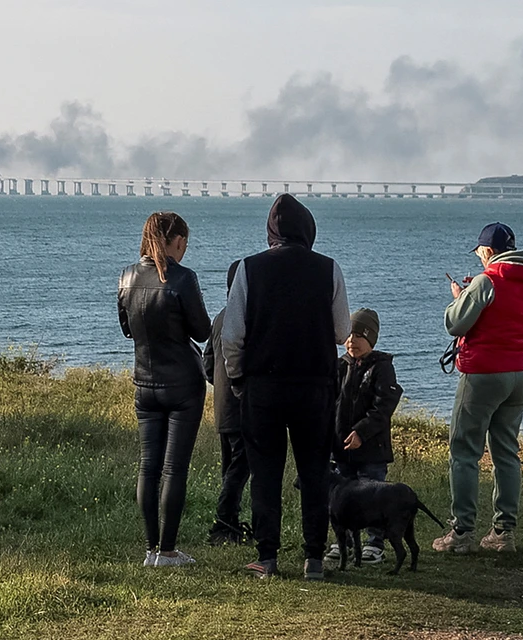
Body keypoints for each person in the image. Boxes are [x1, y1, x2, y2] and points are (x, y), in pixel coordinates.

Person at [221, 194, 351, 580]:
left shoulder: (248, 269)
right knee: (313, 472)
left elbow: (232, 336)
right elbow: (343, 331)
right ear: (308, 229)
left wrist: (239, 378)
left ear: (271, 232)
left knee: (265, 472)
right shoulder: (329, 268)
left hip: (263, 388)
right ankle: (313, 557)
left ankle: (267, 556)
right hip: (314, 388)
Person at [433, 222, 523, 555]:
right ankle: (503, 532)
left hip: (483, 373)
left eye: (481, 253)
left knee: (464, 451)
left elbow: (455, 323)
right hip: (519, 373)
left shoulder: (487, 281)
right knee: (506, 453)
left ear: (487, 251)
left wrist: (461, 298)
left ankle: (462, 532)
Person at [118, 211, 212, 567]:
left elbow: (127, 328)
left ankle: (149, 550)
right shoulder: (184, 279)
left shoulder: (126, 276)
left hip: (144, 380)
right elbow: (202, 331)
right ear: (176, 241)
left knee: (148, 467)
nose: (185, 250)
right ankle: (168, 551)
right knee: (174, 469)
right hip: (183, 384)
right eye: (184, 243)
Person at [326, 308, 403, 565]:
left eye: (359, 335)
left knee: (372, 496)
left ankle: (375, 543)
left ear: (371, 339)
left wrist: (362, 431)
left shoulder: (382, 368)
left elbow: (383, 406)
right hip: (341, 447)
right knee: (342, 498)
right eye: (349, 334)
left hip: (371, 448)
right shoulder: (339, 366)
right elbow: (329, 403)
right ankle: (344, 540)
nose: (352, 341)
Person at [203, 260, 253, 546]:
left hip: (222, 406)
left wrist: (219, 385)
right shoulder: (247, 318)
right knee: (239, 469)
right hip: (242, 405)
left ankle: (230, 526)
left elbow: (207, 362)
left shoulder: (221, 317)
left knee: (231, 468)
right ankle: (223, 525)